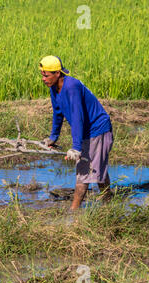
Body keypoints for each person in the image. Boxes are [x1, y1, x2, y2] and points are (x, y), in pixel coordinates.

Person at [39, 55, 113, 210]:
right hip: (88, 131)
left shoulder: (71, 86)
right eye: (42, 75)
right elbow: (58, 113)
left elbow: (77, 117)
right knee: (97, 169)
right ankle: (109, 204)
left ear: (57, 73)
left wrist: (77, 147)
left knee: (84, 172)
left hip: (97, 129)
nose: (43, 78)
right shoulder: (54, 88)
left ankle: (73, 212)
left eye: (46, 75)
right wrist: (53, 138)